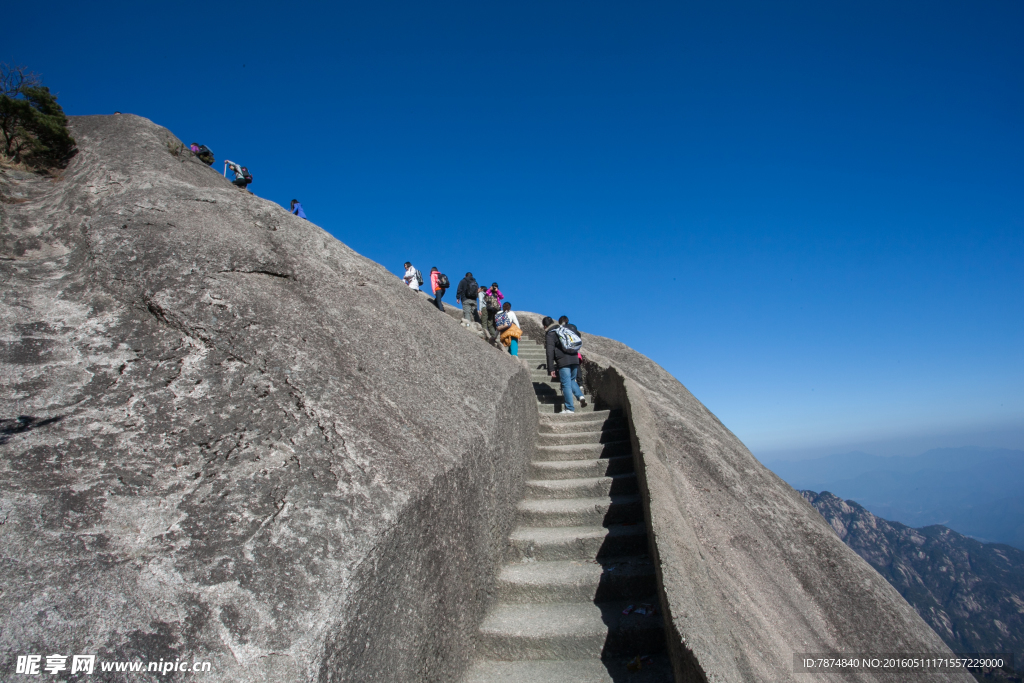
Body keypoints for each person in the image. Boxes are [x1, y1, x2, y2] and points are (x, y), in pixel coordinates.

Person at [544, 316, 586, 413]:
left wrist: (550, 368)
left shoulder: (551, 334)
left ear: (545, 326)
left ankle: (569, 408)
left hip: (563, 361)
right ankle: (580, 396)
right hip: (575, 357)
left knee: (566, 383)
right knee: (571, 380)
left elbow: (549, 352)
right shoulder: (563, 329)